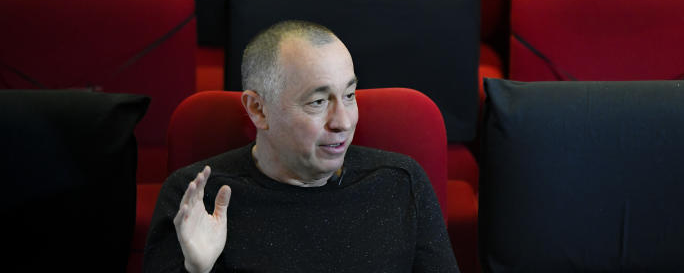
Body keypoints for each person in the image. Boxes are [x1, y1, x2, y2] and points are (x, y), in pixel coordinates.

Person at [143, 20, 460, 273]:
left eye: (349, 96)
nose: (343, 121)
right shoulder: (197, 199)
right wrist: (197, 271)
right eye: (319, 102)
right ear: (258, 110)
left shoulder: (401, 182)